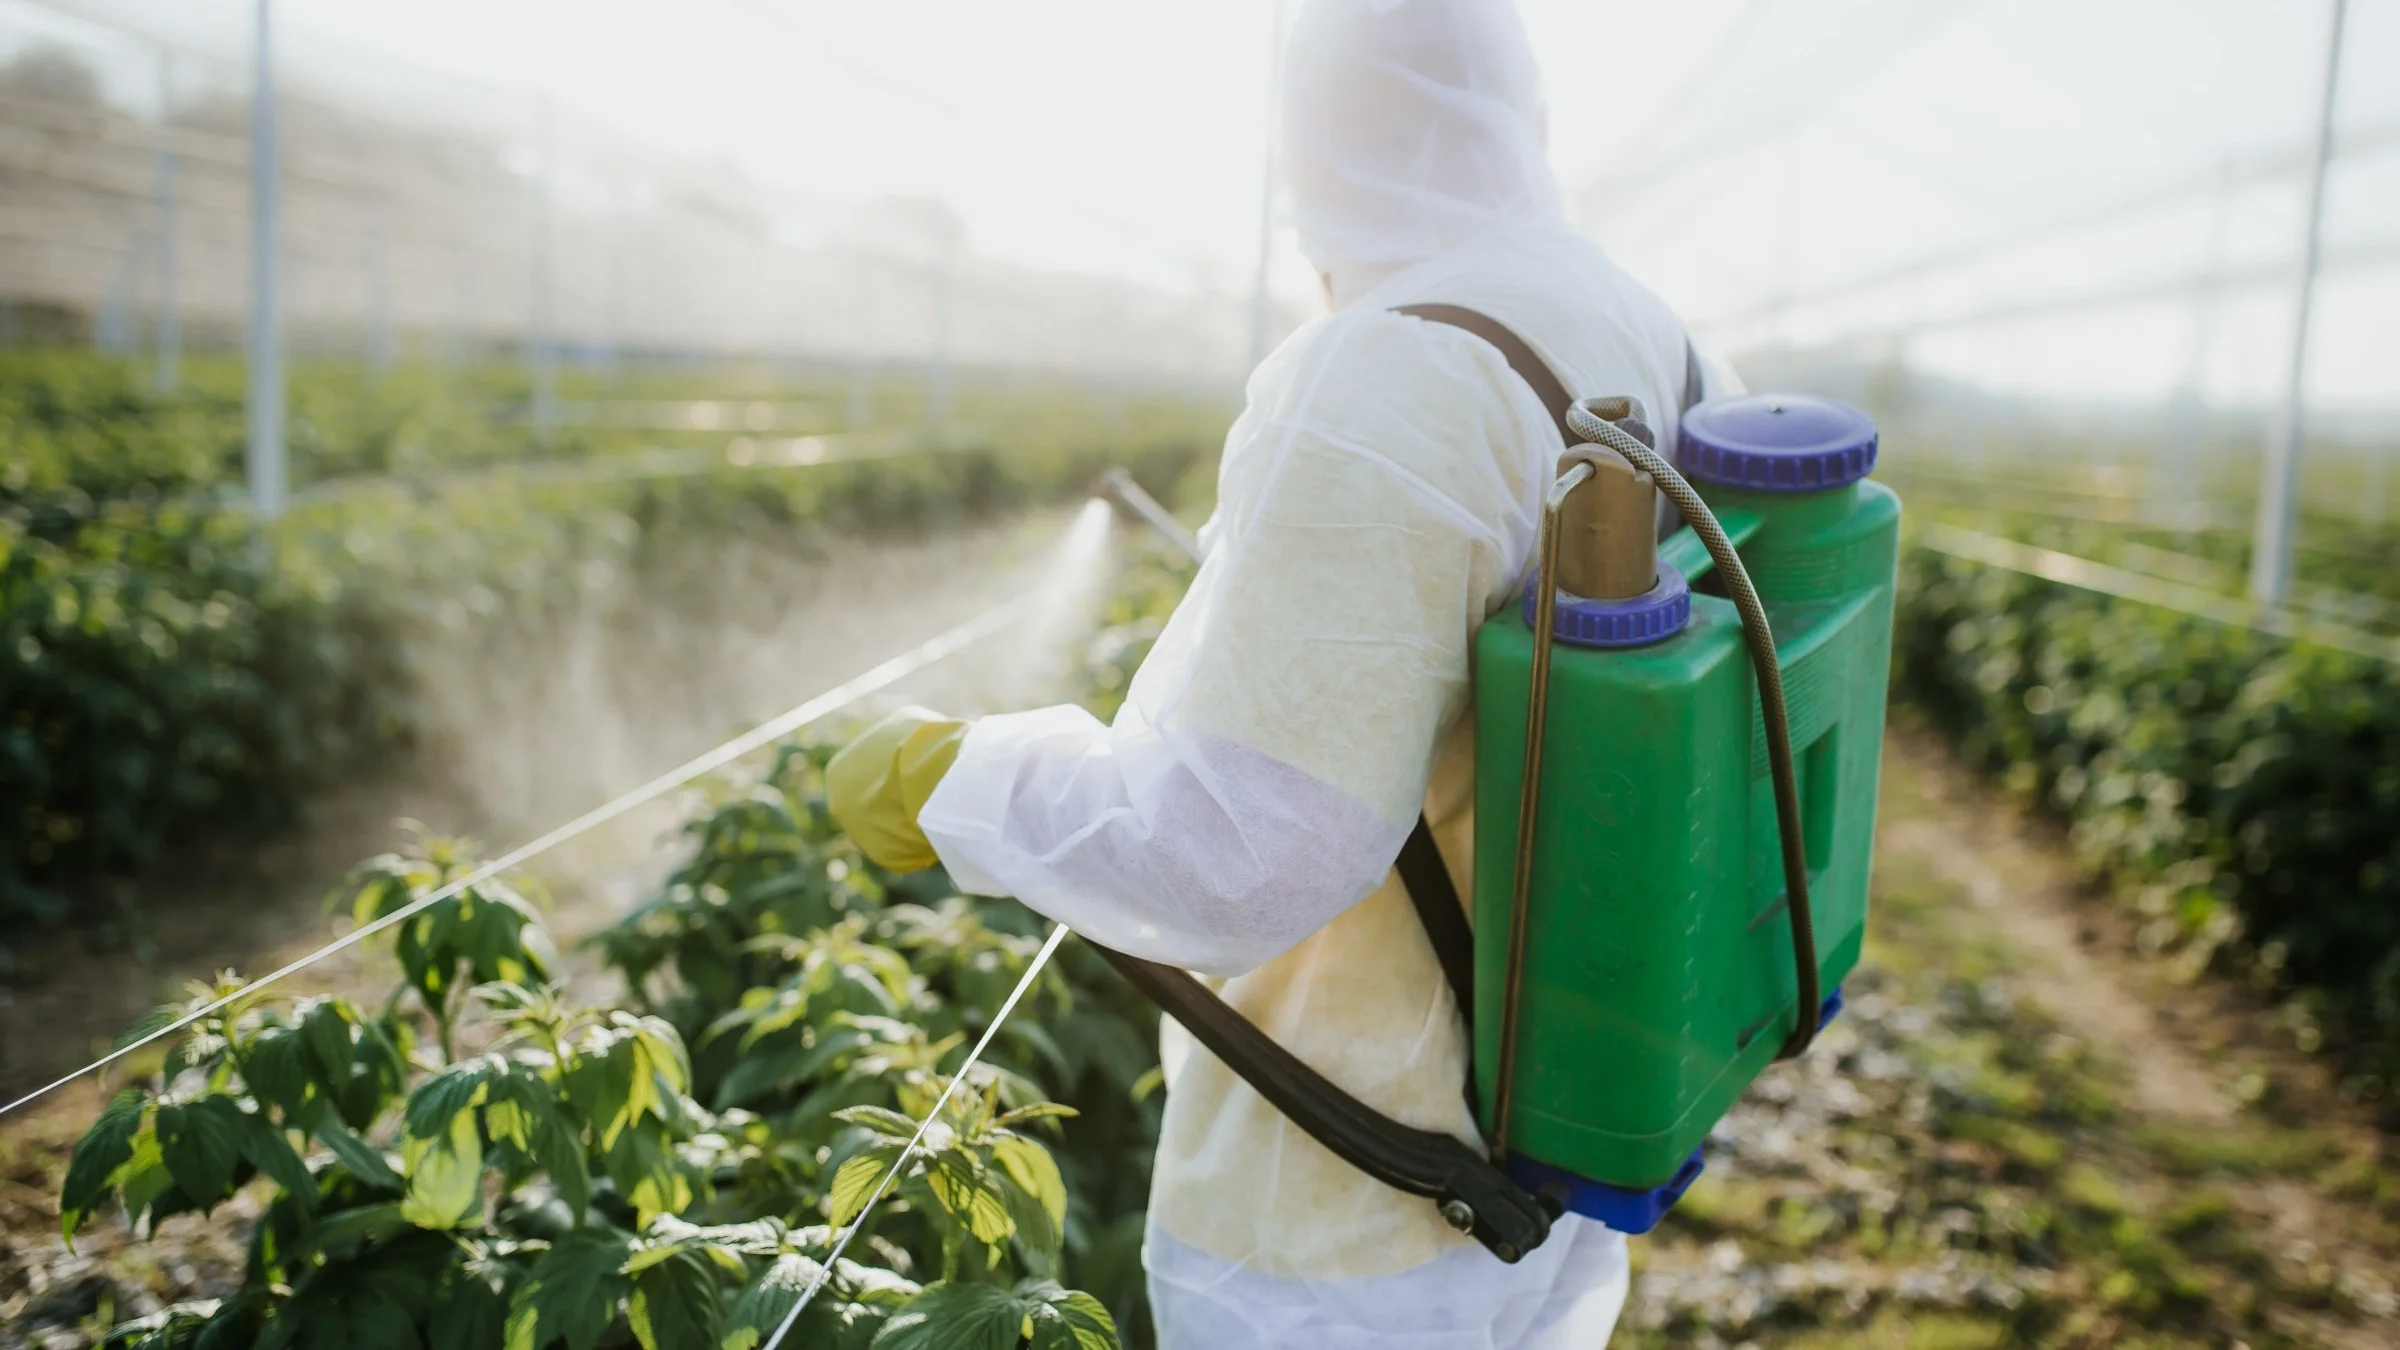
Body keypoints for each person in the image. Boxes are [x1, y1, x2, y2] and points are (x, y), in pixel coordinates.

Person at [827, 0, 1733, 1343]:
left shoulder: (1396, 371)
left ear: (1313, 146)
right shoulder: (1653, 332)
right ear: (1523, 121)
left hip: (1344, 1221)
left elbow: (1239, 852)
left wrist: (958, 778)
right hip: (1556, 1137)